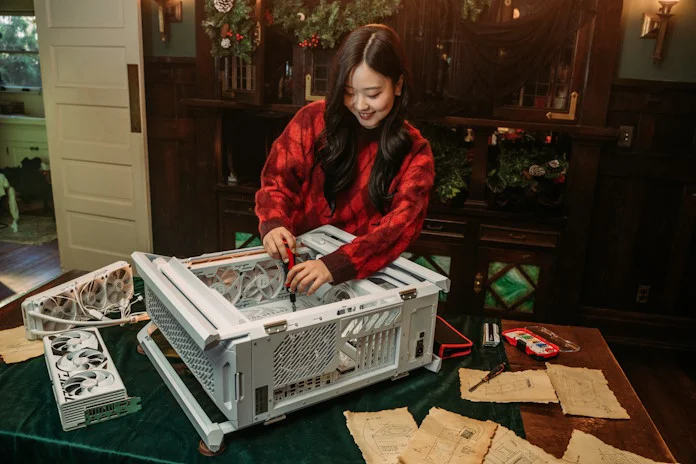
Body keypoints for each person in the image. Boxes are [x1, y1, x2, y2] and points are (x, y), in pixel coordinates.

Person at [255, 24, 435, 297]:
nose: (360, 105)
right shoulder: (312, 120)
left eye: (373, 94)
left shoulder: (416, 151)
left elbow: (399, 227)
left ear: (398, 85)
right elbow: (277, 181)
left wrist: (334, 265)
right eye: (349, 92)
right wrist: (274, 223)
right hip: (299, 266)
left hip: (365, 280)